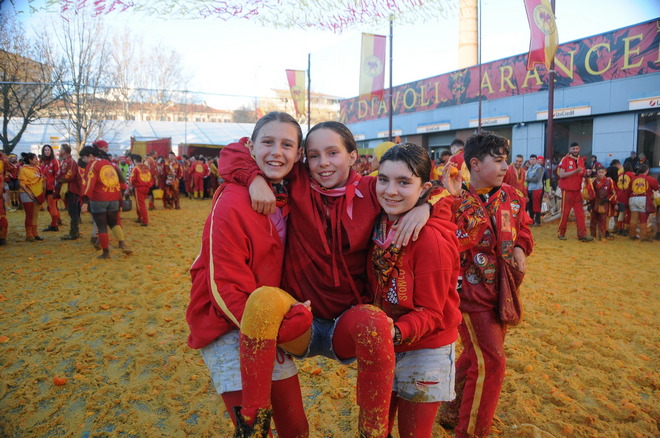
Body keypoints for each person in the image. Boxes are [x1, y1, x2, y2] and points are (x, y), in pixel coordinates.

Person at [218, 120, 433, 437]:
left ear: (353, 157)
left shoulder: (373, 190)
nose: (323, 163)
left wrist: (427, 207)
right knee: (262, 300)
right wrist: (253, 179)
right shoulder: (297, 178)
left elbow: (438, 190)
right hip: (299, 318)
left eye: (333, 153)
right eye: (314, 155)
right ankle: (252, 424)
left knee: (375, 323)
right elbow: (233, 153)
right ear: (304, 158)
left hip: (344, 323)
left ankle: (373, 432)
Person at [187, 112, 309, 438]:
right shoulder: (232, 200)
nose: (277, 152)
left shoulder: (291, 187)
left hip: (266, 318)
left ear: (299, 154)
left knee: (296, 427)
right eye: (267, 142)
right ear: (251, 148)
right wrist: (274, 329)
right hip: (226, 323)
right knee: (256, 431)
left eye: (287, 145)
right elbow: (223, 286)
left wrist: (430, 203)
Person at [438, 131, 534, 438]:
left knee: (477, 353)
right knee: (491, 360)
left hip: (503, 289)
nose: (506, 166)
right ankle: (471, 431)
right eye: (499, 160)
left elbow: (523, 228)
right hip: (469, 292)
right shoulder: (452, 200)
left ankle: (450, 407)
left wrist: (520, 247)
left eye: (506, 160)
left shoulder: (513, 197)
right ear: (476, 164)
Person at [369, 143, 462, 438]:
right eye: (383, 180)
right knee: (374, 428)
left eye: (404, 182)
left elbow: (433, 311)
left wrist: (395, 331)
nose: (390, 191)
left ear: (424, 189)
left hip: (426, 349)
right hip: (385, 342)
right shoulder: (378, 221)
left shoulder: (430, 238)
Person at [80, 146, 131, 259]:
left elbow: (89, 184)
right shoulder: (108, 163)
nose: (84, 160)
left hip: (99, 199)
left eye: (84, 158)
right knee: (114, 223)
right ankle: (122, 243)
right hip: (114, 197)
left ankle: (106, 252)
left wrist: (85, 201)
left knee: (101, 226)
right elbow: (120, 179)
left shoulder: (92, 165)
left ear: (90, 156)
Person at [557, 142, 593, 241]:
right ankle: (561, 233)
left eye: (576, 149)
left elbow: (581, 174)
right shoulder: (565, 159)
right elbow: (561, 175)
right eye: (573, 149)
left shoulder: (581, 160)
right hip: (567, 190)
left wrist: (587, 174)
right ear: (570, 150)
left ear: (579, 149)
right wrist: (575, 171)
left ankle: (582, 235)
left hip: (577, 190)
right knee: (565, 213)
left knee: (580, 213)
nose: (575, 150)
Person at [57, 144, 83, 240]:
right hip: (69, 189)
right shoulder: (65, 161)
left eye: (60, 149)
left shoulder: (70, 161)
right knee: (71, 211)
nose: (59, 151)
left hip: (73, 189)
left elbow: (70, 176)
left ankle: (74, 233)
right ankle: (73, 232)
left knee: (73, 212)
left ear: (64, 151)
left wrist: (59, 180)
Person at [627, 164, 659, 241]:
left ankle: (632, 235)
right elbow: (656, 188)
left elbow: (629, 189)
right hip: (643, 198)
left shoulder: (633, 179)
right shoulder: (650, 179)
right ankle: (643, 236)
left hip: (632, 198)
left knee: (633, 218)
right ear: (647, 171)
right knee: (643, 218)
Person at [18, 152, 46, 241]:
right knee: (29, 214)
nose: (37, 160)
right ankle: (29, 234)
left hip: (36, 193)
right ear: (30, 160)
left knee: (35, 214)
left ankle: (35, 233)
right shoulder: (23, 169)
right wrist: (28, 193)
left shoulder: (37, 168)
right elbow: (22, 183)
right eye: (35, 159)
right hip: (26, 193)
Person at [587, 166, 617, 240]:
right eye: (599, 172)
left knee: (603, 220)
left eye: (602, 172)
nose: (601, 174)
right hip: (594, 202)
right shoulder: (593, 181)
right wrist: (589, 204)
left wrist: (607, 199)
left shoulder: (609, 181)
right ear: (597, 172)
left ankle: (602, 236)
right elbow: (589, 193)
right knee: (593, 220)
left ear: (605, 173)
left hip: (604, 203)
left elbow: (613, 192)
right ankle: (592, 236)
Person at [40, 144, 61, 232]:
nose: (47, 151)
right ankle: (57, 221)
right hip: (44, 187)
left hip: (51, 187)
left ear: (51, 151)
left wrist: (56, 188)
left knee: (52, 206)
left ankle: (54, 225)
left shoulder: (54, 161)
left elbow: (58, 175)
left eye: (48, 150)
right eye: (45, 150)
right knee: (50, 207)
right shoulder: (42, 161)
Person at [129, 155, 153, 226]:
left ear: (134, 161)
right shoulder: (146, 168)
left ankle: (144, 220)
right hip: (146, 187)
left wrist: (129, 187)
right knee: (139, 203)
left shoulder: (135, 168)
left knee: (140, 204)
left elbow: (132, 179)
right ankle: (139, 217)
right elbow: (150, 177)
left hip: (139, 187)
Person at [0, 152, 17, 245]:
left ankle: (2, 237)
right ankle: (2, 237)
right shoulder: (3, 160)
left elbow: (13, 168)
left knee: (2, 216)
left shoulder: (3, 160)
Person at [526, 154, 544, 226]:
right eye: (531, 159)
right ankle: (531, 220)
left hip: (537, 189)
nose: (532, 161)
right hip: (530, 188)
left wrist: (527, 179)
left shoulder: (539, 168)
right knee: (530, 206)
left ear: (536, 160)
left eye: (533, 159)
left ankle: (537, 221)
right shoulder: (530, 168)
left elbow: (537, 179)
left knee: (536, 206)